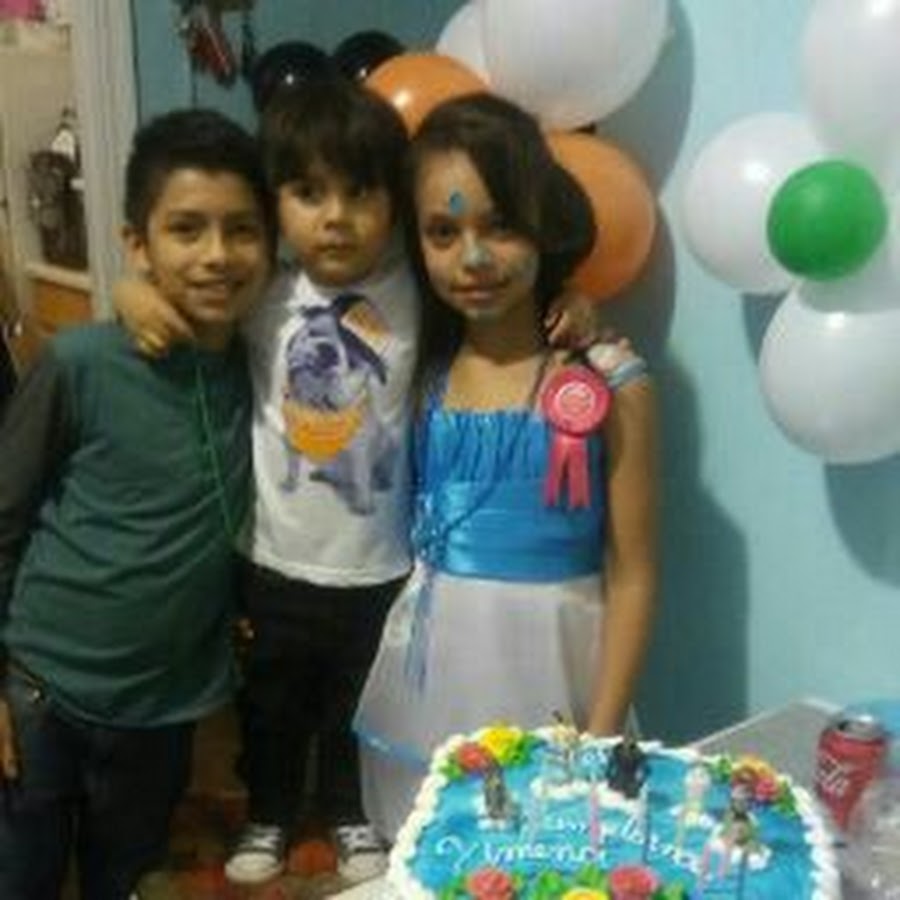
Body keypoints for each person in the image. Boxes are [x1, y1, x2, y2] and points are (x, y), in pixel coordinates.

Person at [116, 77, 418, 886]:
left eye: (360, 193)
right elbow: (176, 296)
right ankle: (271, 810)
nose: (335, 217)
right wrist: (130, 288)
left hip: (380, 563)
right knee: (273, 703)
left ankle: (349, 811)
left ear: (394, 201)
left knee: (358, 703)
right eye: (309, 193)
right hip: (275, 559)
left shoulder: (416, 291)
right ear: (275, 201)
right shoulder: (265, 295)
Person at [354, 92, 660, 841]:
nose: (474, 258)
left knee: (551, 860)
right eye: (443, 231)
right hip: (431, 681)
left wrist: (599, 737)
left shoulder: (609, 383)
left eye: (501, 225)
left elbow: (634, 574)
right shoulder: (417, 370)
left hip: (559, 680)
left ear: (542, 223)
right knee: (440, 854)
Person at [0, 108, 273, 900]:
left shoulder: (273, 362)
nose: (216, 254)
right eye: (186, 229)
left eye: (241, 230)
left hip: (163, 711)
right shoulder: (79, 363)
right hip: (41, 691)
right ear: (137, 244)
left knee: (123, 881)